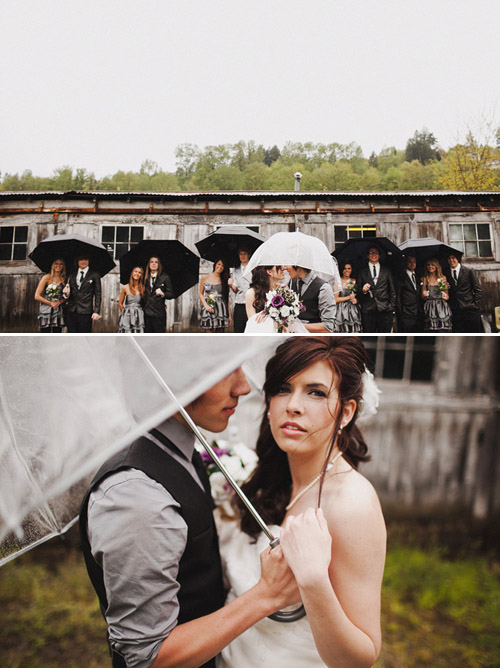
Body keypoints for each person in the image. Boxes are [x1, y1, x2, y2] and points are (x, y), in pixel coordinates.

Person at [79, 366, 299, 668]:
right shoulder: (137, 496)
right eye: (223, 370)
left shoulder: (182, 451)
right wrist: (266, 595)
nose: (243, 387)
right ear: (170, 375)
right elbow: (148, 657)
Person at [217, 336, 386, 668]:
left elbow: (361, 657)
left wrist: (313, 581)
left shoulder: (352, 505)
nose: (292, 405)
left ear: (347, 411)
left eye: (316, 392)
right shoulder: (271, 478)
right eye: (282, 388)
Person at [244, 265, 307, 333]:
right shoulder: (251, 293)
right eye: (279, 267)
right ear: (269, 272)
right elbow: (252, 323)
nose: (283, 268)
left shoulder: (283, 290)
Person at [356, 246, 396, 333]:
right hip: (368, 309)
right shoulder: (362, 271)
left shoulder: (386, 271)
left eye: (376, 252)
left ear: (379, 255)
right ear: (367, 255)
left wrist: (391, 306)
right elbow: (357, 290)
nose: (373, 255)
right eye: (371, 252)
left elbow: (392, 290)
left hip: (384, 309)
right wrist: (363, 290)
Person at [286, 265, 336, 333]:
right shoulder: (291, 283)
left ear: (298, 264)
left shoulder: (324, 288)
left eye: (289, 264)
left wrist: (297, 327)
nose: (285, 267)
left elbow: (328, 327)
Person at [445, 253, 483, 333]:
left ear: (458, 259)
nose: (451, 260)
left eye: (453, 257)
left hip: (470, 309)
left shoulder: (468, 271)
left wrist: (475, 305)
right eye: (449, 258)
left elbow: (478, 290)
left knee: (474, 333)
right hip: (455, 311)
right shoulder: (446, 273)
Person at [65, 256, 102, 333]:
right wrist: (66, 294)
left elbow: (98, 294)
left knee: (84, 334)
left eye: (85, 259)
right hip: (71, 309)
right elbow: (67, 293)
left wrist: (96, 311)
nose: (83, 261)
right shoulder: (71, 274)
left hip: (86, 311)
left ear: (89, 261)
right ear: (77, 261)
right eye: (81, 259)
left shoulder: (94, 275)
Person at [34, 257, 67, 333]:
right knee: (45, 332)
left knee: (57, 332)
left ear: (63, 266)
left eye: (61, 264)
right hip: (47, 308)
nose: (58, 266)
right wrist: (50, 303)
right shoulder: (47, 277)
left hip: (58, 309)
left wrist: (61, 301)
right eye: (56, 263)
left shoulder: (64, 279)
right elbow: (37, 296)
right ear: (53, 265)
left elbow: (67, 297)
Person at [199, 258, 231, 332]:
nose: (220, 267)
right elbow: (201, 294)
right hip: (209, 305)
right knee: (208, 330)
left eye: (222, 266)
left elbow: (226, 298)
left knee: (219, 332)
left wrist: (229, 315)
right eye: (219, 264)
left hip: (221, 308)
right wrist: (206, 306)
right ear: (215, 264)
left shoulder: (224, 280)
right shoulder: (205, 277)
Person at [143, 257, 174, 333]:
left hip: (159, 313)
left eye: (156, 262)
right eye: (151, 262)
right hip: (146, 313)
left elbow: (171, 294)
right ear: (149, 264)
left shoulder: (165, 277)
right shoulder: (144, 277)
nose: (153, 264)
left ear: (159, 265)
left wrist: (163, 293)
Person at [421, 258, 452, 332]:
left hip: (441, 306)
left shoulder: (442, 278)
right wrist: (424, 295)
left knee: (443, 330)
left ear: (436, 266)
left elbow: (447, 295)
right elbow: (422, 296)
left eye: (432, 265)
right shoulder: (425, 279)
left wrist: (445, 296)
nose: (430, 267)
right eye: (428, 265)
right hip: (430, 307)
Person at [396, 255, 424, 333]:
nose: (412, 264)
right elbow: (398, 295)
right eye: (410, 262)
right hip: (406, 313)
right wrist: (400, 311)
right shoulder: (401, 277)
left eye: (414, 262)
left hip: (418, 312)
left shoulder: (418, 276)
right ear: (406, 263)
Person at [228, 247, 252, 333]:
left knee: (250, 329)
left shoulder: (253, 269)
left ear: (248, 255)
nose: (242, 256)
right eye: (240, 254)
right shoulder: (236, 270)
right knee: (238, 329)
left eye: (244, 254)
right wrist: (231, 285)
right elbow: (235, 289)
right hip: (239, 304)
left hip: (251, 304)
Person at [334, 261, 362, 333]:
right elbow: (335, 299)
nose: (347, 270)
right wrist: (349, 297)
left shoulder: (354, 281)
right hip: (341, 311)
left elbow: (359, 296)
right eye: (345, 268)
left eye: (349, 268)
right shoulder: (338, 282)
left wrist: (356, 300)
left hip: (353, 310)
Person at [118, 266, 145, 333]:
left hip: (138, 315)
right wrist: (125, 313)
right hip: (127, 314)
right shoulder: (125, 287)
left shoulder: (143, 288)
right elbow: (120, 303)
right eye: (135, 271)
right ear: (132, 273)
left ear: (141, 275)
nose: (137, 274)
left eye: (139, 272)